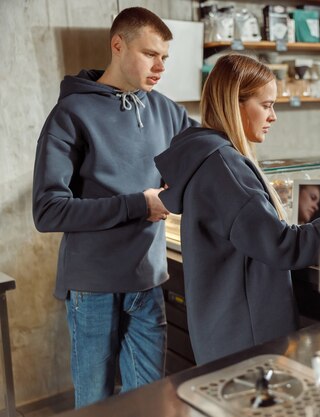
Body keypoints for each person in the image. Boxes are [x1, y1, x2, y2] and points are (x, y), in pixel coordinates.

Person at [154, 54, 320, 365]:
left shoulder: (205, 155)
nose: (273, 116)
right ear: (236, 105)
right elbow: (284, 246)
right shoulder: (225, 168)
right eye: (266, 105)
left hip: (221, 332)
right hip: (247, 343)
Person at [32, 7, 197, 408]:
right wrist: (139, 205)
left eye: (165, 58)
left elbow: (206, 161)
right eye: (150, 54)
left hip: (149, 279)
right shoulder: (70, 114)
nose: (160, 66)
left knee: (148, 400)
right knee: (96, 402)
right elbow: (48, 210)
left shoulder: (168, 112)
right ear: (118, 45)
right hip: (93, 285)